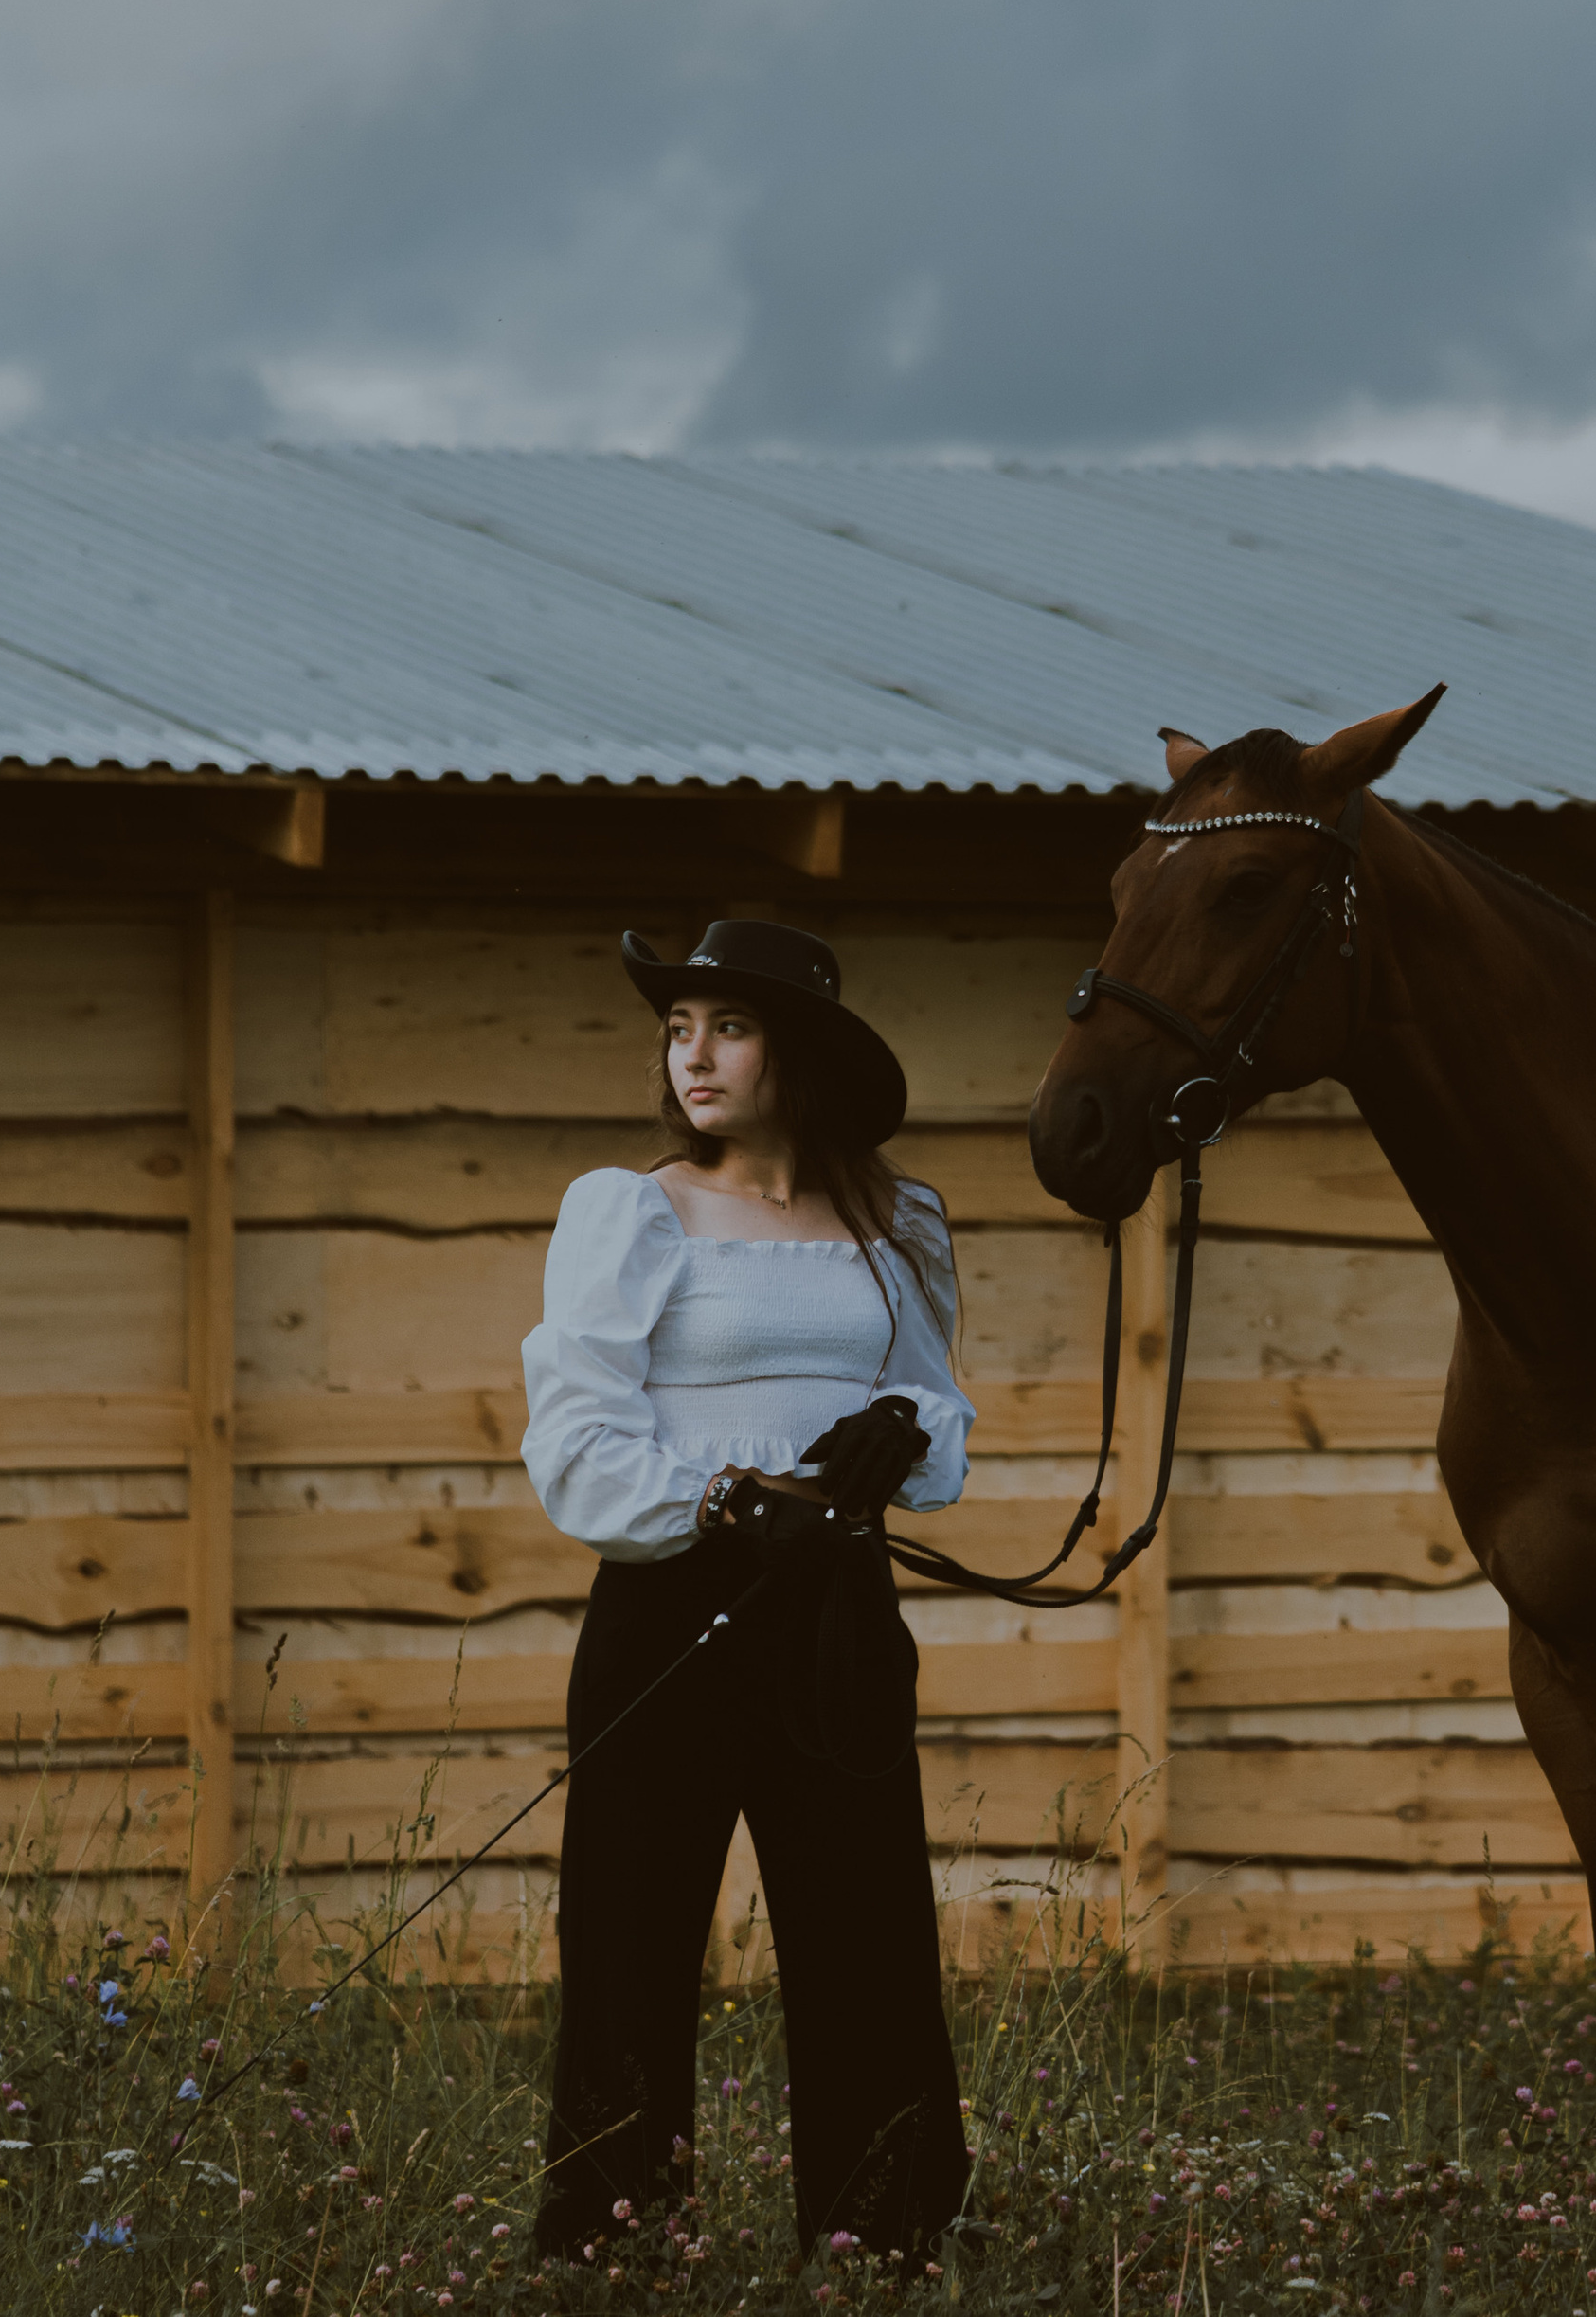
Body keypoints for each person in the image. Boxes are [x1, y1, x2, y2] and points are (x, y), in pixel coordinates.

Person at [521, 917, 976, 2271]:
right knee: (633, 1939)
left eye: (729, 1023)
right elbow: (576, 1433)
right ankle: (619, 2250)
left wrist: (899, 1435)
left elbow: (943, 1407)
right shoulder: (632, 1207)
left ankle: (881, 2244)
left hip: (837, 1611)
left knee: (869, 1938)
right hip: (677, 1604)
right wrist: (719, 1502)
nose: (694, 1054)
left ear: (804, 1047)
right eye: (678, 1027)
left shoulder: (899, 1222)